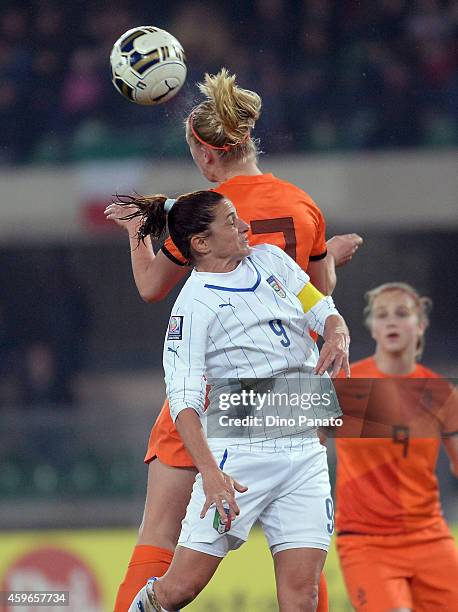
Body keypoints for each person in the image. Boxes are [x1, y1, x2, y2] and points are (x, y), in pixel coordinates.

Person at [105, 68, 362, 611]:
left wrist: (135, 235)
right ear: (248, 139)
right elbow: (319, 290)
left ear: (205, 154)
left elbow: (153, 287)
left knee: (160, 533)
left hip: (222, 384)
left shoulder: (203, 210)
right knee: (302, 563)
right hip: (293, 390)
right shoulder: (300, 202)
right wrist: (329, 257)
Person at [123, 188, 350, 611]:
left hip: (304, 453)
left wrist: (337, 332)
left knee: (304, 595)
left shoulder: (272, 261)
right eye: (231, 221)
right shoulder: (194, 306)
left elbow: (320, 308)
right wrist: (209, 474)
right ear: (201, 243)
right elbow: (184, 402)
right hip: (239, 460)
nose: (245, 226)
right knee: (180, 589)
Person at [333, 282, 458, 611]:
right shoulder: (345, 386)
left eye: (401, 314)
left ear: (420, 325)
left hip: (429, 536)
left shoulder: (441, 393)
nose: (391, 321)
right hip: (366, 541)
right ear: (372, 327)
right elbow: (299, 449)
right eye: (382, 315)